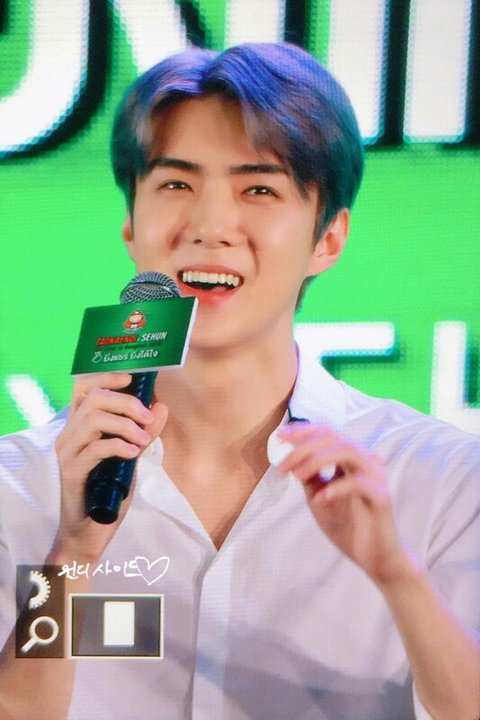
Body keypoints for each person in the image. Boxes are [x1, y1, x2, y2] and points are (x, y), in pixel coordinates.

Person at [0, 42, 479, 720]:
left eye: (259, 188)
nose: (210, 226)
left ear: (328, 238)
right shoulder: (19, 487)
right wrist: (73, 553)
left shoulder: (440, 480)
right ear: (132, 226)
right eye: (176, 185)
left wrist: (398, 577)